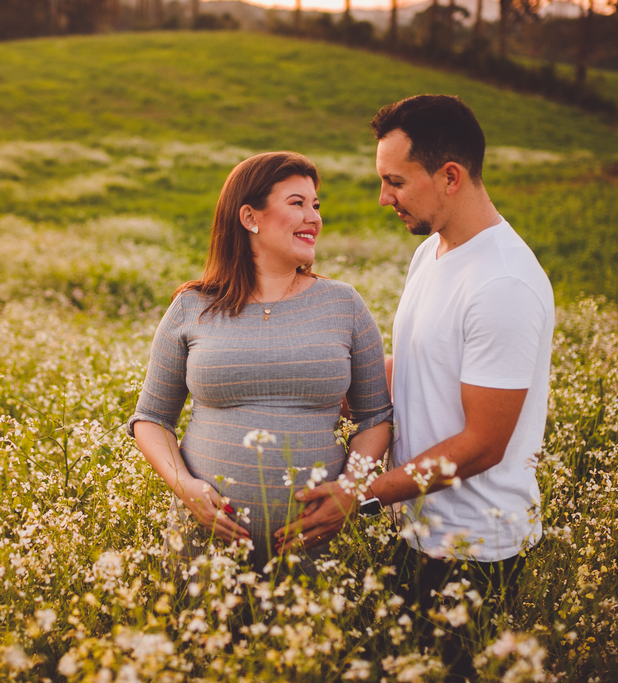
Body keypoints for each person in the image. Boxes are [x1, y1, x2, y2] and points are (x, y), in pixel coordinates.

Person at [278, 95, 555, 680]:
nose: (384, 198)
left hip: (476, 551)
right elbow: (413, 367)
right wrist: (325, 386)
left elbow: (482, 444)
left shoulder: (503, 283)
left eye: (395, 182)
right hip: (417, 528)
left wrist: (361, 494)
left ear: (450, 176)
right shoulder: (432, 250)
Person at [128, 151, 394, 573]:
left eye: (316, 205)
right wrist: (185, 487)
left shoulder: (343, 304)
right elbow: (151, 418)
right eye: (297, 203)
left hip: (318, 547)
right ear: (249, 217)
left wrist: (349, 489)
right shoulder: (192, 306)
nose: (314, 217)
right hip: (205, 550)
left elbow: (376, 417)